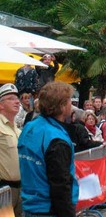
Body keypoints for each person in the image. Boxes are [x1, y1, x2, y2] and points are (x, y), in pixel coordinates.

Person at [18, 81, 79, 217]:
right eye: (69, 100)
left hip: (30, 204)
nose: (72, 105)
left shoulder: (30, 127)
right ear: (62, 106)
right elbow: (60, 185)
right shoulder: (56, 138)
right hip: (49, 209)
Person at [0, 83, 23, 216]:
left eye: (17, 98)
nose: (16, 101)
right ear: (1, 104)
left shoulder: (18, 129)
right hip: (4, 188)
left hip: (20, 188)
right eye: (11, 98)